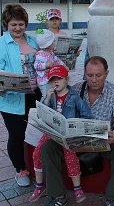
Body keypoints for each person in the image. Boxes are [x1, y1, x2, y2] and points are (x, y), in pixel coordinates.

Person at [40, 56, 114, 206]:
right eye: (90, 75)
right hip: (73, 141)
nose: (94, 80)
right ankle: (57, 196)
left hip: (101, 142)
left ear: (106, 74)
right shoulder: (75, 89)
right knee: (47, 147)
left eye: (98, 75)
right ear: (85, 74)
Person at [29, 65, 91, 204]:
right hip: (52, 132)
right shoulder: (50, 96)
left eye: (59, 79)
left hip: (67, 133)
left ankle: (77, 188)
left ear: (67, 79)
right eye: (53, 80)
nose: (56, 82)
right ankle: (39, 186)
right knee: (37, 153)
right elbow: (43, 112)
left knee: (70, 156)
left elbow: (86, 114)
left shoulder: (74, 97)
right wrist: (46, 99)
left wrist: (77, 125)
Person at [0, 4, 42, 187]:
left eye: (21, 24)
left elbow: (40, 63)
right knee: (16, 135)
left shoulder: (33, 41)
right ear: (6, 25)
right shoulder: (2, 44)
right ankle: (20, 170)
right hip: (11, 99)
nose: (17, 28)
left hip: (34, 94)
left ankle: (39, 162)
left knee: (39, 131)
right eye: (13, 25)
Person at [34, 29, 65, 97]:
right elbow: (36, 65)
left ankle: (49, 105)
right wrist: (46, 65)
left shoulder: (51, 53)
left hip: (49, 79)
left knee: (51, 94)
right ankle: (42, 106)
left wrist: (64, 66)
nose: (55, 42)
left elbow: (57, 60)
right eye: (53, 41)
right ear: (48, 44)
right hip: (43, 81)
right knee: (46, 95)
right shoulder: (40, 54)